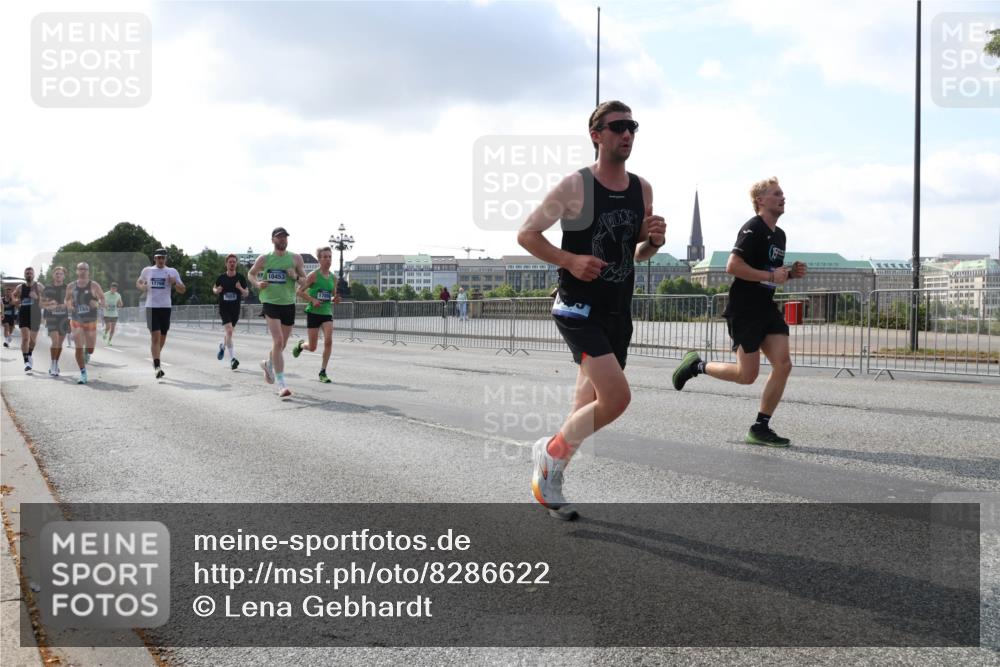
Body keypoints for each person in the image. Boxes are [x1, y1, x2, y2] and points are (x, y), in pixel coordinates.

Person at [517, 100, 666, 520]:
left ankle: (550, 475)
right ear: (596, 135)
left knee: (585, 403)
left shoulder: (643, 189)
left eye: (632, 126)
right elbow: (527, 234)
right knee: (616, 399)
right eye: (618, 126)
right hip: (577, 308)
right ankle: (548, 452)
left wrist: (653, 240)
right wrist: (569, 261)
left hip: (617, 309)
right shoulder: (575, 186)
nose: (627, 134)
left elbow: (635, 252)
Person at [671, 177, 807, 446]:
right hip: (744, 308)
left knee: (784, 364)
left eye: (783, 193)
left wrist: (789, 274)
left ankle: (760, 427)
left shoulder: (780, 235)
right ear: (761, 201)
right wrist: (770, 273)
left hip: (766, 307)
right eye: (777, 193)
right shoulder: (752, 228)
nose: (783, 197)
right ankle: (696, 366)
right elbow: (733, 266)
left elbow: (768, 275)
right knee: (747, 376)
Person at [247, 227, 307, 398]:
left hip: (288, 303)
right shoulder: (265, 259)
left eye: (285, 237)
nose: (283, 240)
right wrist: (257, 284)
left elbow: (304, 281)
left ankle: (268, 363)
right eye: (279, 238)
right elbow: (251, 274)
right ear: (273, 240)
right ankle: (281, 384)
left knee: (282, 345)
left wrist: (294, 276)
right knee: (278, 340)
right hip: (270, 302)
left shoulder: (295, 258)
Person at [292, 246, 339, 383]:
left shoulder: (333, 278)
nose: (327, 259)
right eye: (324, 257)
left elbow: (332, 296)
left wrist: (335, 299)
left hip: (326, 313)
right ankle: (301, 346)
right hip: (313, 312)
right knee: (312, 347)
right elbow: (299, 292)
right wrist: (312, 300)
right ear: (319, 259)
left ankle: (323, 371)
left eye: (329, 257)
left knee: (328, 340)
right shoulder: (313, 275)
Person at [137, 249, 186, 379]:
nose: (161, 260)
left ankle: (156, 358)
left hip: (165, 307)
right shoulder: (147, 270)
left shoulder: (172, 271)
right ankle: (157, 367)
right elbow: (139, 282)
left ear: (166, 259)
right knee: (155, 336)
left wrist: (174, 282)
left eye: (163, 258)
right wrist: (143, 287)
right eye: (158, 258)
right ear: (155, 258)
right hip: (151, 307)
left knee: (162, 338)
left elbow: (182, 290)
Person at [66, 262, 106, 385]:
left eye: (85, 269)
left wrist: (98, 304)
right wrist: (69, 306)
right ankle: (83, 373)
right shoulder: (71, 286)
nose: (83, 271)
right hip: (76, 319)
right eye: (80, 269)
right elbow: (67, 299)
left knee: (91, 348)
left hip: (91, 320)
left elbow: (102, 299)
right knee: (78, 346)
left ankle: (87, 353)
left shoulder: (94, 285)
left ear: (88, 271)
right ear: (77, 271)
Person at [213, 254, 250, 370]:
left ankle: (223, 346)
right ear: (226, 264)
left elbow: (246, 293)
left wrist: (240, 288)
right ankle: (233, 359)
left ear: (236, 263)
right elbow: (214, 288)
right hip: (224, 308)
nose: (232, 263)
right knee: (229, 331)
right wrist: (216, 290)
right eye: (230, 262)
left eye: (234, 262)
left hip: (235, 310)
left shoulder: (240, 278)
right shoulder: (221, 278)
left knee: (229, 334)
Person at [13, 267, 43, 372]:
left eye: (30, 273)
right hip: (23, 314)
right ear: (24, 275)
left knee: (33, 341)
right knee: (25, 338)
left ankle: (29, 353)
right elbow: (14, 296)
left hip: (35, 315)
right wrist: (16, 301)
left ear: (34, 274)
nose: (29, 274)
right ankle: (26, 360)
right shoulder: (20, 287)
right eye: (27, 273)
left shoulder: (39, 286)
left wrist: (37, 297)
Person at [41, 266, 70, 376]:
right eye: (56, 273)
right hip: (52, 318)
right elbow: (42, 303)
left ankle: (56, 362)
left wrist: (65, 305)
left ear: (64, 276)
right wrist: (48, 305)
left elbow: (72, 302)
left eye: (60, 274)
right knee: (55, 341)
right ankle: (52, 364)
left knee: (60, 344)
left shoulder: (68, 288)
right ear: (53, 275)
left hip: (63, 318)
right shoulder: (48, 288)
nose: (58, 275)